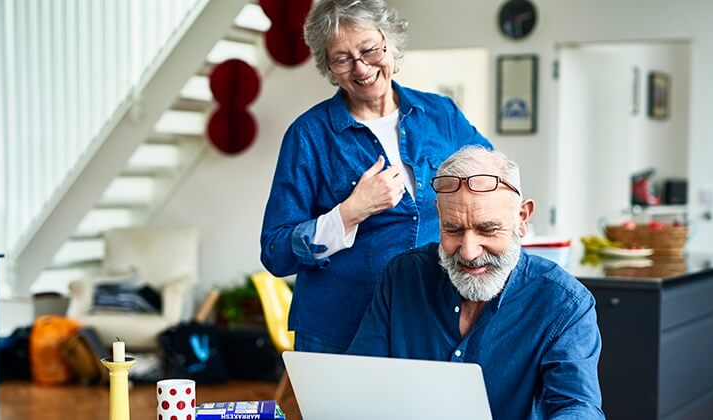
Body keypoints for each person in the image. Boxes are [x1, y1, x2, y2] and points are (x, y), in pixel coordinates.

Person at [259, 0, 491, 354]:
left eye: (369, 50)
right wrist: (350, 212)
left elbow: (494, 179)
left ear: (390, 42)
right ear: (328, 67)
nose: (362, 67)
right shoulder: (308, 135)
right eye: (342, 58)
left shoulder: (440, 114)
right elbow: (275, 251)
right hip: (339, 329)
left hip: (431, 322)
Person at [348, 146, 605, 419]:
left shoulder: (565, 303)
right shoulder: (402, 276)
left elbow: (578, 408)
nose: (469, 252)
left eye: (487, 229)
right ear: (440, 216)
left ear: (522, 218)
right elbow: (360, 383)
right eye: (453, 229)